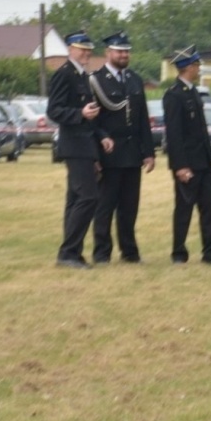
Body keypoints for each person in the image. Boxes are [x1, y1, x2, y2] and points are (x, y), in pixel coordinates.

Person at [89, 32, 156, 264]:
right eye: (119, 51)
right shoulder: (96, 80)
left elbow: (142, 119)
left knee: (129, 207)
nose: (124, 55)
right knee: (105, 206)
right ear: (108, 53)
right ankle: (102, 253)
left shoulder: (135, 79)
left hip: (132, 153)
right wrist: (98, 147)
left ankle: (129, 252)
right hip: (108, 153)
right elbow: (93, 121)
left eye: (126, 51)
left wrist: (149, 152)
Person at [46, 30, 103, 269]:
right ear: (70, 49)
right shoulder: (65, 74)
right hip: (73, 145)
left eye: (89, 49)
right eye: (82, 49)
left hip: (85, 145)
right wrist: (80, 113)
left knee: (75, 200)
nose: (87, 53)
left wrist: (98, 144)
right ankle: (68, 252)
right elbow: (53, 110)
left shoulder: (82, 76)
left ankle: (72, 253)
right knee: (88, 197)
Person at [162, 46, 211, 265]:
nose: (199, 69)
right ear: (188, 67)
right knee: (184, 210)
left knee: (210, 209)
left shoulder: (194, 92)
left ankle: (210, 253)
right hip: (187, 164)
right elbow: (174, 134)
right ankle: (179, 253)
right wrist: (180, 166)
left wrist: (210, 160)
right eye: (196, 65)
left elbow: (201, 130)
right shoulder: (174, 95)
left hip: (202, 162)